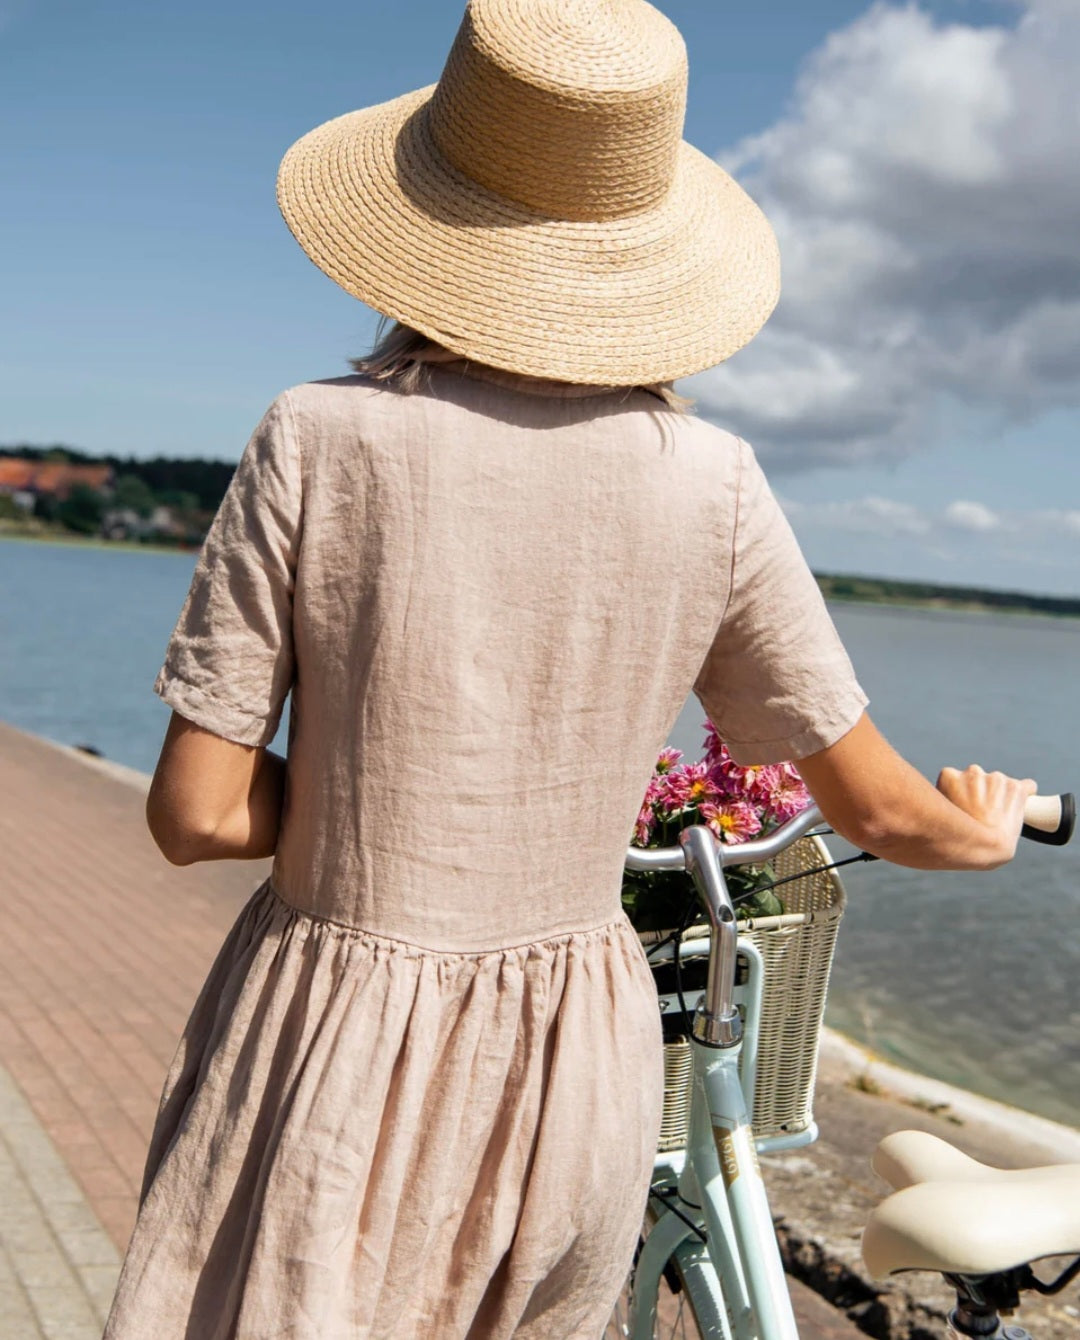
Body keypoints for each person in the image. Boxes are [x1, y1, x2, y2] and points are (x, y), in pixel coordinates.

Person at [103, 1, 1035, 1337]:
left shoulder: (316, 438)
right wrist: (984, 832)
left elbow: (193, 814)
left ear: (423, 213)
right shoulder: (710, 485)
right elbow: (888, 813)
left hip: (330, 1037)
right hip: (574, 1066)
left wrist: (383, 821)